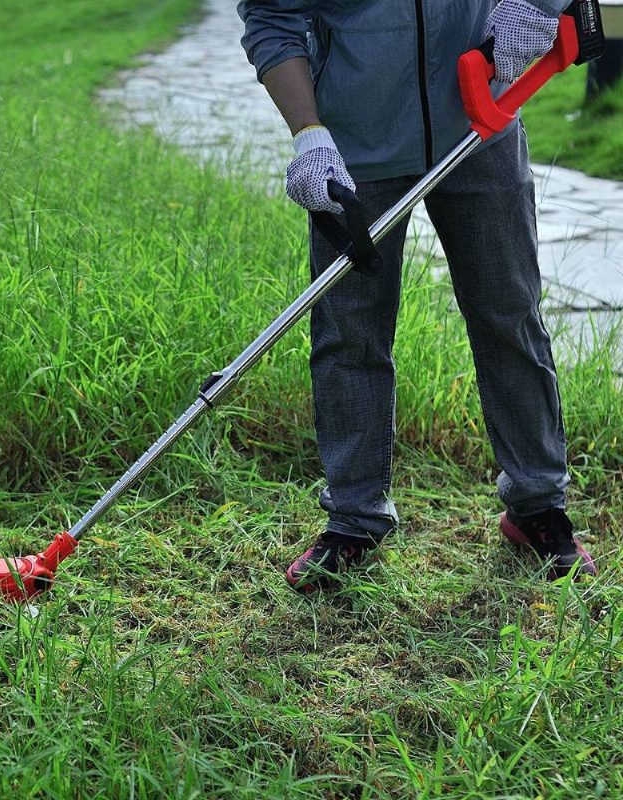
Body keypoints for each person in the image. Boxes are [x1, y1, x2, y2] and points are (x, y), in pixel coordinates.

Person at [236, 0, 598, 589]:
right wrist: (309, 135)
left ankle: (537, 507)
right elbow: (273, 20)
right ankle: (354, 519)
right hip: (355, 151)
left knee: (509, 315)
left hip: (482, 124)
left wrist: (535, 7)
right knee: (349, 332)